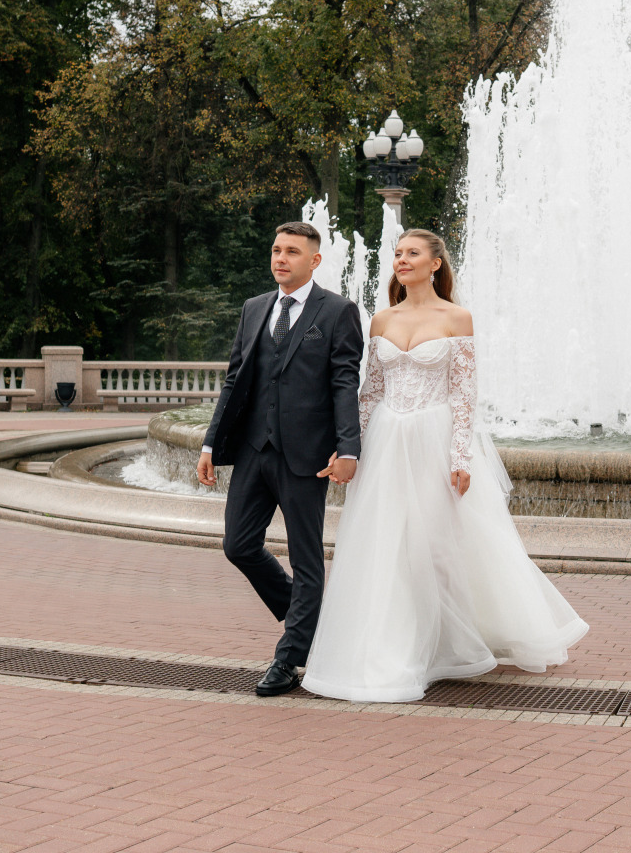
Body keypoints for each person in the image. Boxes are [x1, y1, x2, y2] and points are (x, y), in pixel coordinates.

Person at [301, 228, 588, 703]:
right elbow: (370, 393)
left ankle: (454, 637)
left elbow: (463, 394)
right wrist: (349, 446)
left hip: (434, 440)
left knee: (437, 545)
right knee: (387, 542)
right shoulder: (382, 320)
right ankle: (400, 646)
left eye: (412, 253)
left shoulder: (457, 317)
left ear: (435, 264)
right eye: (397, 253)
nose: (401, 260)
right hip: (386, 441)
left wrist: (459, 455)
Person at [196, 222, 364, 697]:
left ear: (315, 260)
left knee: (307, 559)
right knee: (238, 545)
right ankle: (308, 621)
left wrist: (348, 447)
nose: (280, 258)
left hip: (307, 455)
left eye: (292, 251)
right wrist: (210, 444)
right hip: (253, 450)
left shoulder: (338, 311)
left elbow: (344, 382)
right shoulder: (254, 308)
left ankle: (289, 658)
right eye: (276, 250)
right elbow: (235, 379)